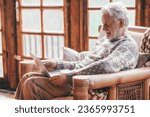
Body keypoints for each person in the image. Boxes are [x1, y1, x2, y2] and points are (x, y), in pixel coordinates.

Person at [15, 2, 139, 100]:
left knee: (31, 84)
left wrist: (68, 77)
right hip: (75, 76)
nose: (104, 28)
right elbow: (83, 62)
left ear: (121, 22)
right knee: (27, 77)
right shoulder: (106, 41)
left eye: (107, 24)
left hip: (88, 85)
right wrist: (58, 65)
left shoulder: (128, 46)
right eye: (103, 24)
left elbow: (105, 66)